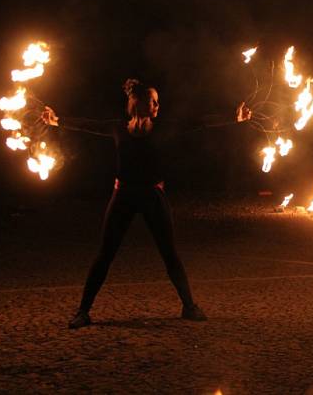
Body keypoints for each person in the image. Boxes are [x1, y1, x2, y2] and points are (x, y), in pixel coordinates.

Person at [42, 79, 251, 328]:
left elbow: (200, 122)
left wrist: (234, 117)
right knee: (105, 254)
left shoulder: (164, 128)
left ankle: (189, 306)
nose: (157, 105)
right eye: (153, 101)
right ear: (138, 103)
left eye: (157, 101)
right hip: (123, 196)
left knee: (169, 254)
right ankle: (83, 311)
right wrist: (57, 120)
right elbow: (87, 125)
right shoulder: (117, 128)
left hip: (153, 196)